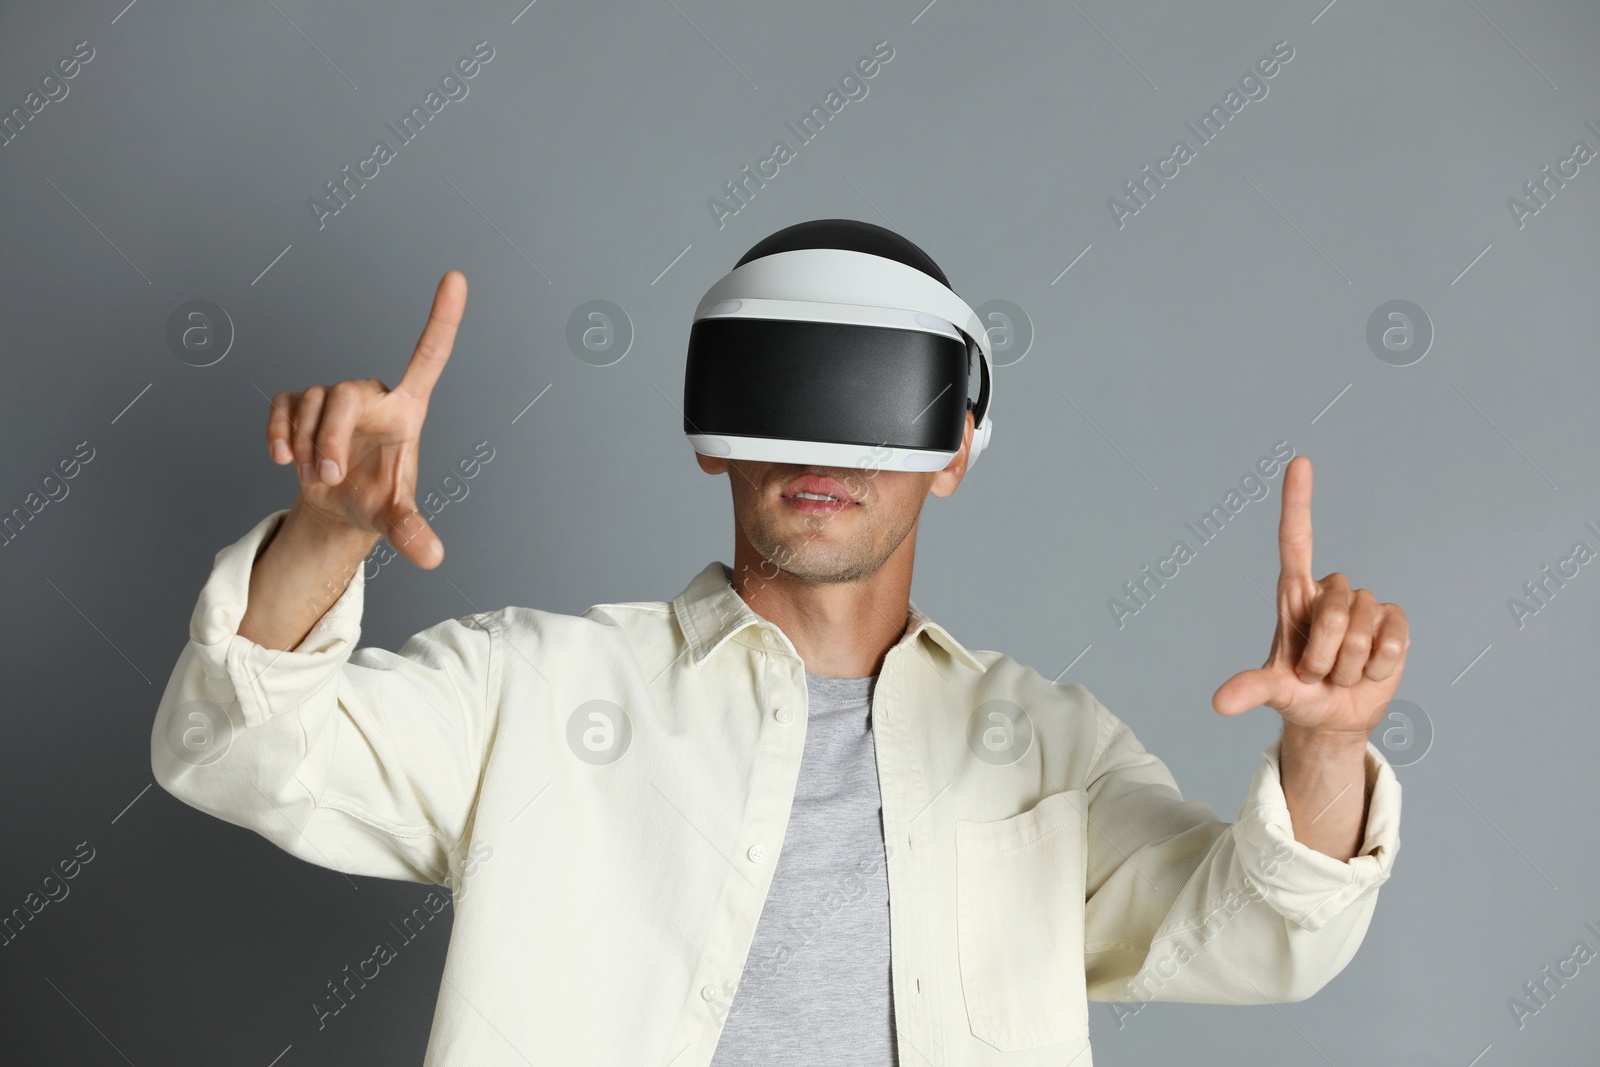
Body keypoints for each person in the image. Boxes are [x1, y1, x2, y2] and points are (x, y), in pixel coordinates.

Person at [151, 223, 1405, 1067]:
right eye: (780, 387)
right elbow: (242, 753)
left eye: (879, 401)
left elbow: (1255, 939)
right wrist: (326, 534)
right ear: (712, 426)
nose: (827, 450)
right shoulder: (533, 692)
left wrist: (1329, 749)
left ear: (960, 445)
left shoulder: (1052, 753)